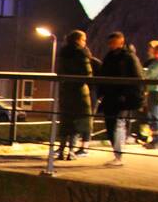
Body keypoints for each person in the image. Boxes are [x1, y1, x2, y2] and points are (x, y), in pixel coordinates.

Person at [97, 32, 143, 166]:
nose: (111, 45)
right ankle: (117, 153)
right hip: (111, 96)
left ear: (121, 42)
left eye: (113, 42)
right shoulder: (110, 57)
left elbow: (136, 77)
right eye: (110, 43)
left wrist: (129, 95)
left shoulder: (128, 58)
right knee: (111, 124)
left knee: (117, 124)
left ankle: (118, 155)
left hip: (122, 97)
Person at [55, 30, 96, 160]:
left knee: (66, 120)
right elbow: (87, 73)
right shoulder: (81, 53)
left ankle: (61, 149)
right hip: (79, 92)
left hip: (65, 90)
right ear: (78, 40)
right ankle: (71, 151)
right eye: (84, 40)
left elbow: (59, 71)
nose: (85, 42)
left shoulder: (63, 53)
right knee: (77, 121)